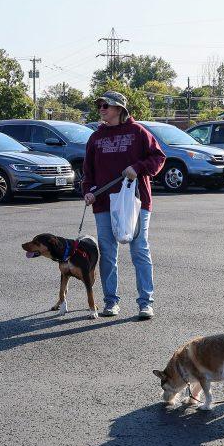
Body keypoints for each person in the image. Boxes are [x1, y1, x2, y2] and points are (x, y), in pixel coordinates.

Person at [82, 91, 165, 320]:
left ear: (119, 109)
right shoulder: (95, 138)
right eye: (99, 105)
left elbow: (158, 158)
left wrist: (137, 168)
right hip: (103, 202)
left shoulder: (138, 132)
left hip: (135, 202)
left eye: (106, 105)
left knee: (139, 250)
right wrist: (88, 191)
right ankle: (111, 302)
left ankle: (145, 303)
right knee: (107, 252)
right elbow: (87, 171)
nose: (101, 109)